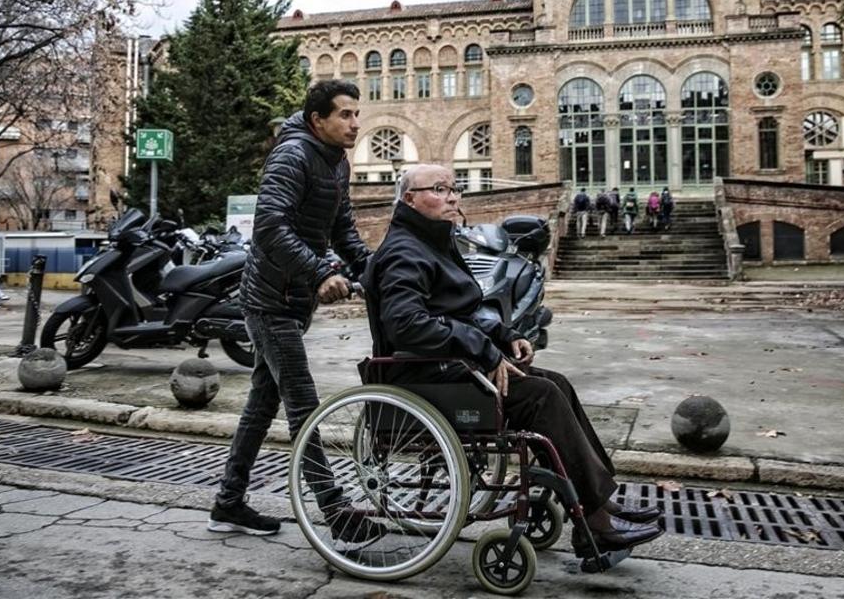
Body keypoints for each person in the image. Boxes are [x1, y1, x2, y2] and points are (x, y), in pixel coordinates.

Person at [364, 164, 664, 555]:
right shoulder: (405, 251)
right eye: (439, 189)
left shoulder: (433, 242)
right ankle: (594, 519)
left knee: (556, 383)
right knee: (541, 396)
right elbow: (408, 325)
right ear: (409, 199)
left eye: (455, 189)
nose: (453, 196)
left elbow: (461, 310)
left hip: (451, 368)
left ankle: (600, 500)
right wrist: (483, 349)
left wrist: (506, 336)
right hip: (426, 377)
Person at [209, 79, 381, 546]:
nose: (355, 123)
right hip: (269, 300)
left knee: (262, 403)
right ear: (317, 120)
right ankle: (336, 512)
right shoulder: (292, 156)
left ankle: (228, 502)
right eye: (344, 115)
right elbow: (268, 228)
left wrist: (376, 272)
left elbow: (342, 227)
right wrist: (319, 272)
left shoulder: (336, 163)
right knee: (302, 403)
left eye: (356, 114)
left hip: (292, 298)